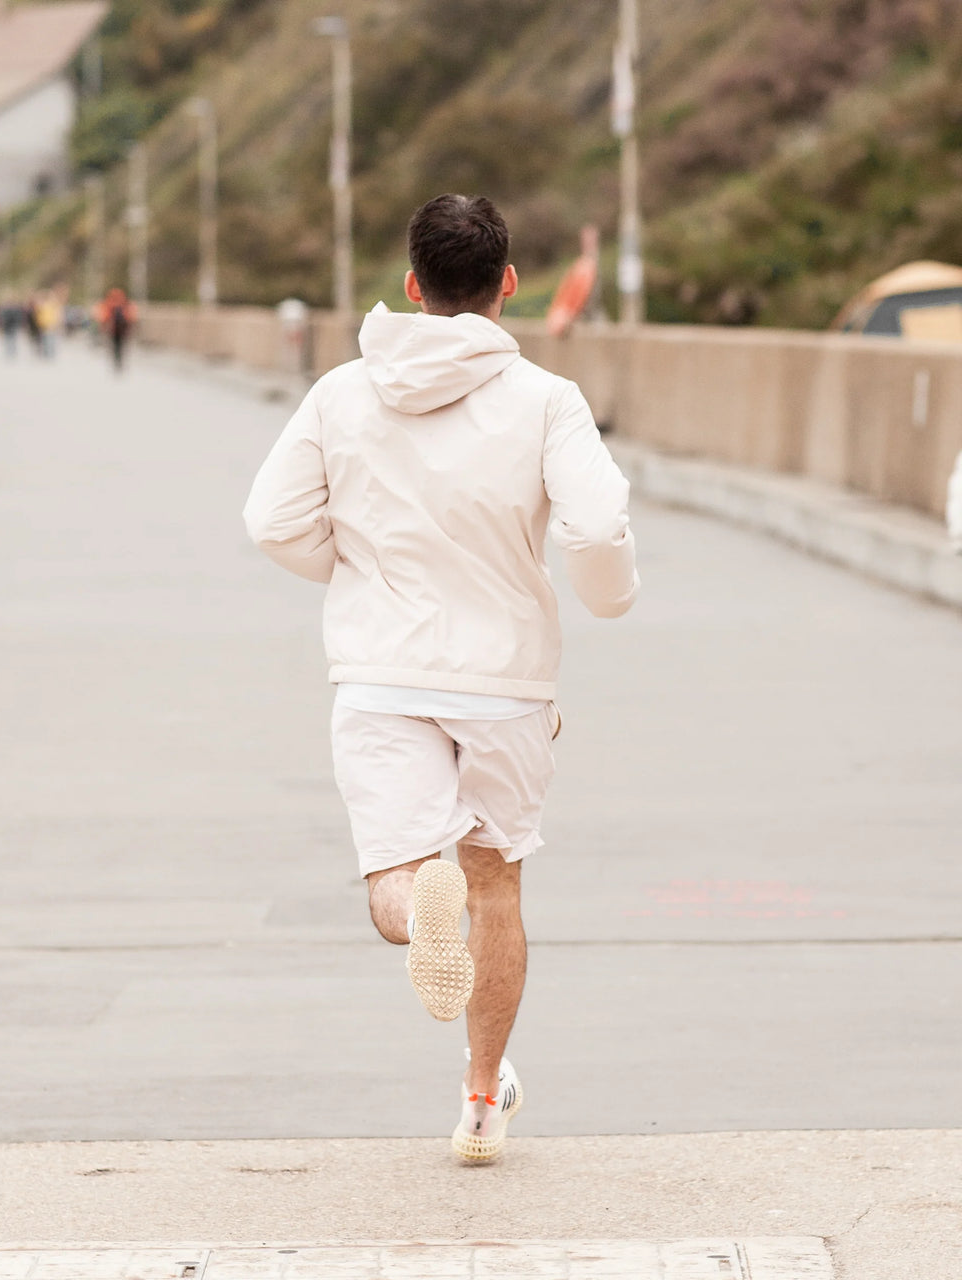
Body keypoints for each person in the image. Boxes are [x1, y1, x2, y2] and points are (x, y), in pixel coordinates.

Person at [243, 193, 639, 1163]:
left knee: (399, 875)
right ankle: (477, 1100)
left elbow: (273, 520)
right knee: (495, 883)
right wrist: (609, 597)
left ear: (412, 285)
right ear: (507, 283)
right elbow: (591, 531)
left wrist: (356, 572)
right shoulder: (546, 399)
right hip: (504, 681)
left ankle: (415, 887)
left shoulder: (341, 392)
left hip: (379, 672)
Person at [96, 287, 138, 371]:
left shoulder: (110, 303)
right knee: (121, 346)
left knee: (115, 346)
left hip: (113, 329)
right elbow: (131, 316)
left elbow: (104, 316)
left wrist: (103, 326)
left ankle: (116, 361)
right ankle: (119, 362)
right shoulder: (124, 303)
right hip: (122, 330)